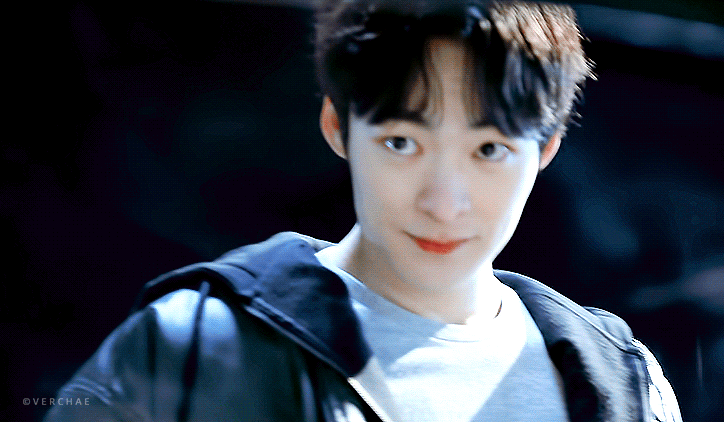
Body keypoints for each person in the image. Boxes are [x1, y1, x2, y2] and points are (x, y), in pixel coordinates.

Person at [45, 0, 682, 421]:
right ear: (338, 127)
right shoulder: (194, 347)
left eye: (489, 149)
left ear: (545, 149)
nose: (443, 204)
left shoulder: (626, 386)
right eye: (402, 142)